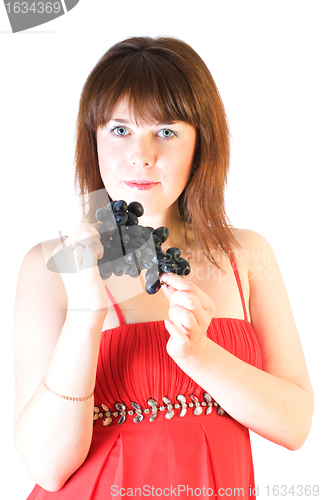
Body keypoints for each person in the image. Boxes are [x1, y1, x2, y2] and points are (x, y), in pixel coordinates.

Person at [13, 36, 314, 499]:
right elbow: (48, 468)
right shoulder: (50, 267)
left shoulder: (246, 255)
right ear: (91, 138)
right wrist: (87, 313)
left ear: (202, 143)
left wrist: (201, 354)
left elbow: (295, 426)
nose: (142, 154)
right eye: (120, 130)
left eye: (167, 131)